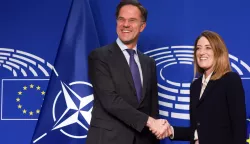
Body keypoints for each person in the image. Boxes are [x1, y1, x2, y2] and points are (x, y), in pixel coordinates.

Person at [86, 1, 171, 144]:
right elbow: (110, 101)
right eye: (121, 19)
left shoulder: (148, 63)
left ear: (142, 26)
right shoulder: (99, 56)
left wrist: (156, 130)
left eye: (132, 20)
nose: (125, 24)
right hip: (108, 140)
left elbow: (152, 108)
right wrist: (150, 122)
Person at [166, 30, 247, 144]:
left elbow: (239, 127)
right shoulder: (195, 86)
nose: (201, 52)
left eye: (208, 48)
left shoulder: (230, 80)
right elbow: (199, 130)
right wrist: (171, 131)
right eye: (198, 48)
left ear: (218, 52)